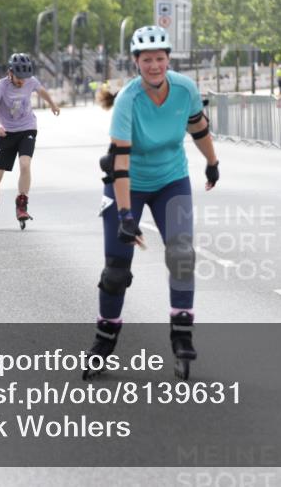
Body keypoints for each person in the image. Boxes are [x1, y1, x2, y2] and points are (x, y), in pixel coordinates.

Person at [86, 25, 219, 381]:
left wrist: (212, 162)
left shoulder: (185, 89)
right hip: (126, 182)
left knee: (181, 254)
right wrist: (127, 215)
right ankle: (104, 340)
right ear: (136, 62)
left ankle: (182, 336)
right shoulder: (128, 100)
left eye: (160, 59)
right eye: (147, 60)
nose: (155, 66)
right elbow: (121, 162)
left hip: (170, 180)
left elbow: (199, 128)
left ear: (168, 59)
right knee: (116, 271)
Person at [0, 53, 60, 231]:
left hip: (27, 128)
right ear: (10, 73)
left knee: (25, 164)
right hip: (5, 133)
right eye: (19, 78)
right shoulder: (1, 86)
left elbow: (41, 90)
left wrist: (52, 103)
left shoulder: (30, 80)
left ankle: (22, 203)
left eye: (25, 78)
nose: (22, 82)